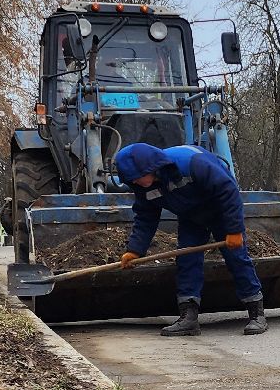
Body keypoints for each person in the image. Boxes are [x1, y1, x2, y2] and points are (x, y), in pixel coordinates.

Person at [113, 142, 267, 336]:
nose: (136, 183)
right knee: (187, 260)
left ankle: (257, 314)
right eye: (132, 180)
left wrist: (234, 230)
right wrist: (135, 250)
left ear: (150, 167)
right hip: (191, 216)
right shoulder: (143, 186)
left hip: (220, 210)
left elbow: (228, 192)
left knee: (236, 257)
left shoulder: (193, 163)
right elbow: (145, 217)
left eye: (137, 178)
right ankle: (188, 318)